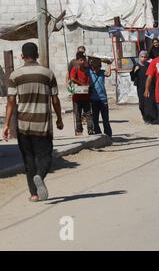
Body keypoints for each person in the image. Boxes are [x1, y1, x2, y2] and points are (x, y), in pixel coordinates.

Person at [2, 43, 64, 202]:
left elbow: (10, 102)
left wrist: (6, 124)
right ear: (37, 54)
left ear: (22, 56)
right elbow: (55, 99)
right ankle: (40, 176)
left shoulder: (15, 76)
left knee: (28, 159)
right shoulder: (47, 74)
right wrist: (59, 118)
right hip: (42, 125)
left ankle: (34, 194)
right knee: (46, 156)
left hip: (23, 125)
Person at [70, 51, 94, 136]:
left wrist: (89, 85)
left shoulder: (87, 69)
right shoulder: (75, 69)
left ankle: (91, 130)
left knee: (88, 114)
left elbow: (90, 80)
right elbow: (72, 78)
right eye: (83, 60)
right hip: (77, 97)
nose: (85, 61)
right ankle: (79, 130)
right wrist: (82, 84)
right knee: (77, 114)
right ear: (80, 60)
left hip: (86, 96)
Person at [131, 51, 158, 125]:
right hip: (140, 87)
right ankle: (145, 117)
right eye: (142, 57)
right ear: (139, 57)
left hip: (150, 86)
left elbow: (154, 76)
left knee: (150, 103)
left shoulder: (150, 65)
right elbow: (132, 78)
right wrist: (134, 72)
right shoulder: (136, 66)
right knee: (142, 103)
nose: (143, 59)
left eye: (145, 57)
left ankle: (150, 118)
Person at [88, 57, 113, 138]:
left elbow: (108, 73)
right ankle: (98, 134)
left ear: (100, 67)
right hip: (93, 99)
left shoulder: (102, 72)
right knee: (95, 119)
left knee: (105, 119)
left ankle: (108, 135)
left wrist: (109, 63)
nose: (95, 70)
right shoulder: (89, 72)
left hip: (103, 99)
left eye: (97, 68)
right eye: (94, 68)